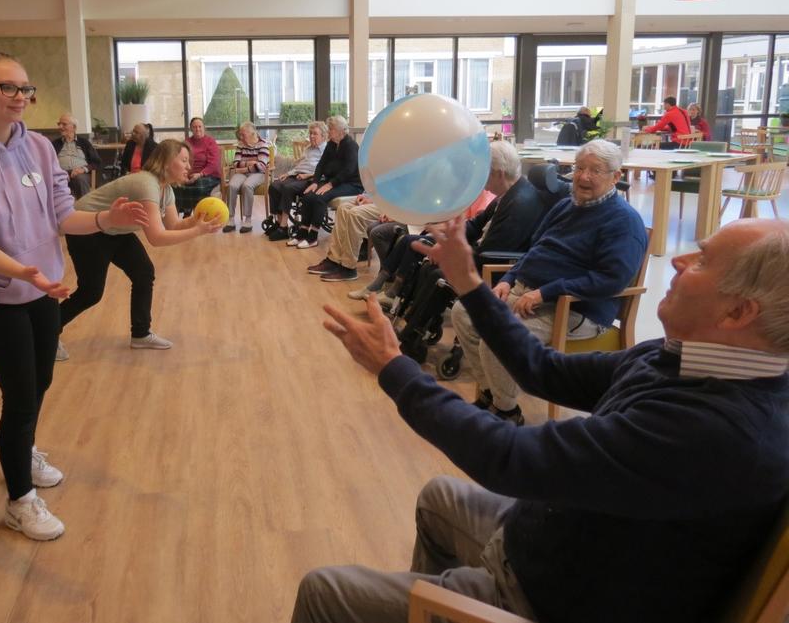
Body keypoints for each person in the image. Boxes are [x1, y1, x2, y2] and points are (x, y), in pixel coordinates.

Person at [294, 216, 789, 623]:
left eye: (700, 259)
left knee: (325, 592)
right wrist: (467, 282)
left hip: (548, 597)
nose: (677, 260)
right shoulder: (686, 360)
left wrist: (394, 368)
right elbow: (543, 370)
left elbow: (509, 456)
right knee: (437, 497)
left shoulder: (718, 431)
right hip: (554, 544)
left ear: (739, 312)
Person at [0, 50, 148, 542]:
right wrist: (24, 273)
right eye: (8, 87)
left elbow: (61, 215)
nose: (20, 97)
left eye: (25, 89)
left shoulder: (41, 149)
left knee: (42, 383)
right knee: (21, 398)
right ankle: (19, 501)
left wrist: (104, 221)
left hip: (43, 292)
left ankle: (23, 449)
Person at [451, 139, 647, 425]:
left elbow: (611, 280)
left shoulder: (624, 222)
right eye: (579, 168)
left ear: (616, 177)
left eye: (595, 171)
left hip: (577, 307)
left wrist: (547, 292)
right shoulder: (566, 206)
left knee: (497, 336)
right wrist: (508, 279)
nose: (583, 177)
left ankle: (505, 413)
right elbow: (534, 250)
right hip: (528, 292)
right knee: (464, 313)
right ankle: (494, 398)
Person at [58, 139, 222, 358]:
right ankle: (46, 333)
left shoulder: (166, 191)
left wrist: (195, 221)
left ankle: (141, 334)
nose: (188, 167)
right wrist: (198, 231)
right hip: (88, 230)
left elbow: (173, 225)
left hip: (115, 230)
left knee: (144, 273)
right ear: (165, 162)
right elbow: (157, 237)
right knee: (90, 293)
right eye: (183, 160)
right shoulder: (146, 184)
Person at [370, 142, 548, 307]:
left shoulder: (518, 204)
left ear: (499, 174)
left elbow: (490, 251)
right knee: (416, 245)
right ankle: (402, 303)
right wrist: (448, 234)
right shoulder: (508, 195)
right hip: (480, 251)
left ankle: (413, 322)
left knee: (434, 272)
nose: (484, 184)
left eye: (486, 176)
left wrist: (450, 251)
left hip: (489, 264)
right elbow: (475, 225)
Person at [293, 115, 363, 248]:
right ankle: (302, 233)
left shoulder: (350, 145)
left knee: (320, 197)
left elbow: (349, 170)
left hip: (352, 184)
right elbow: (321, 163)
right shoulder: (331, 144)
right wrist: (315, 181)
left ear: (340, 131)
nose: (329, 131)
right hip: (336, 181)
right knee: (308, 195)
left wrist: (330, 184)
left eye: (331, 129)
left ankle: (313, 237)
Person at [265, 121, 327, 242]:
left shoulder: (326, 151)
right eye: (310, 133)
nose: (312, 136)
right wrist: (287, 174)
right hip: (298, 175)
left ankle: (283, 228)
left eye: (315, 134)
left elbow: (325, 172)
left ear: (323, 136)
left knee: (288, 188)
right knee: (274, 186)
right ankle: (278, 223)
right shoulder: (308, 149)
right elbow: (299, 165)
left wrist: (306, 175)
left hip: (311, 179)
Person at [223, 121, 270, 233]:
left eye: (243, 134)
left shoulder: (263, 144)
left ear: (252, 134)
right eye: (241, 134)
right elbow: (235, 163)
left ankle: (248, 220)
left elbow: (261, 166)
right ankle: (231, 219)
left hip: (259, 174)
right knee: (232, 185)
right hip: (242, 173)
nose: (241, 137)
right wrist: (251, 163)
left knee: (247, 186)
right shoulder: (241, 145)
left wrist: (244, 167)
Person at [173, 117, 222, 216]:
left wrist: (200, 174)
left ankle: (200, 214)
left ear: (204, 128)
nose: (197, 129)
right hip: (189, 174)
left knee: (198, 186)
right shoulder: (186, 142)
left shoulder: (210, 142)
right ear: (191, 129)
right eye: (194, 127)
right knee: (177, 186)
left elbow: (213, 164)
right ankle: (185, 213)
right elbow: (181, 161)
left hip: (208, 175)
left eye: (200, 126)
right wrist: (184, 176)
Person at [52, 113, 101, 199]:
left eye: (64, 124)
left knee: (80, 179)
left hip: (81, 175)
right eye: (59, 124)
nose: (60, 127)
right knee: (55, 181)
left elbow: (97, 162)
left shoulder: (84, 142)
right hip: (62, 175)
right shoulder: (54, 144)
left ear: (74, 127)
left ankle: (84, 208)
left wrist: (83, 169)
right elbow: (49, 163)